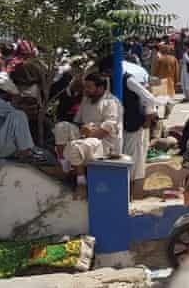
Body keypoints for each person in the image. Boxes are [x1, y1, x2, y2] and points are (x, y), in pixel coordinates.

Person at [100, 56, 160, 199]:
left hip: (133, 124)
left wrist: (148, 118)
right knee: (121, 157)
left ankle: (131, 193)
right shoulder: (110, 82)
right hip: (121, 125)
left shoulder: (128, 80)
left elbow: (149, 98)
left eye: (107, 71)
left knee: (132, 159)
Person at [52, 73, 123, 185]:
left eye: (89, 87)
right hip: (86, 135)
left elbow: (106, 130)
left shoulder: (111, 102)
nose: (85, 90)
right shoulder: (86, 99)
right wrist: (83, 130)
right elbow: (77, 122)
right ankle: (64, 166)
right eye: (85, 87)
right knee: (61, 127)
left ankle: (81, 182)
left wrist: (87, 134)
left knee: (76, 145)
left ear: (100, 88)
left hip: (104, 143)